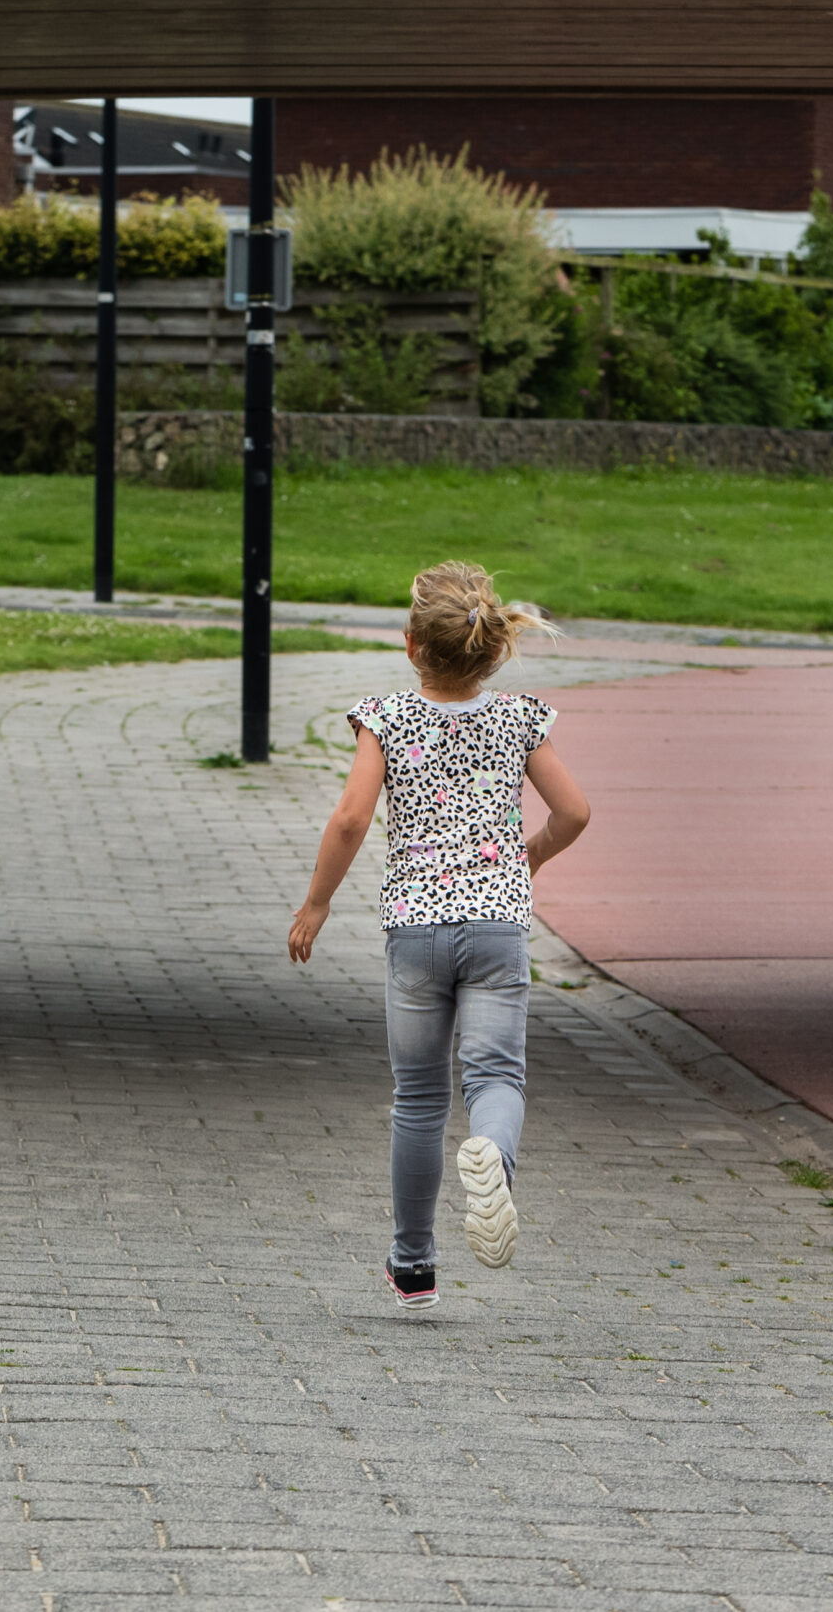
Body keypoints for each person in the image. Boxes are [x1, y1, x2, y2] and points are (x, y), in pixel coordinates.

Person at [287, 561, 591, 1311]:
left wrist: (317, 903)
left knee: (419, 1096)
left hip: (416, 928)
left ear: (412, 645)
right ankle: (492, 1156)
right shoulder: (521, 718)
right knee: (497, 1077)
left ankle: (413, 1264)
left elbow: (352, 818)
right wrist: (528, 858)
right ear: (492, 650)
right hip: (496, 927)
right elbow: (575, 811)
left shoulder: (385, 717)